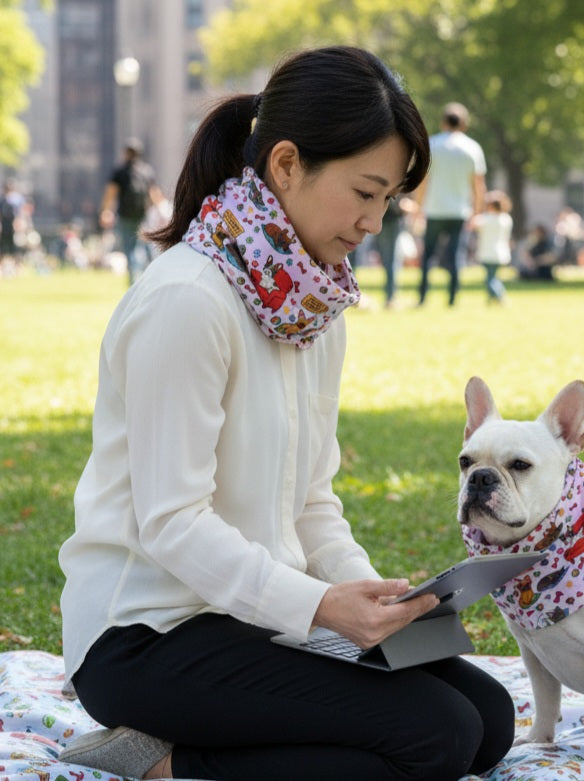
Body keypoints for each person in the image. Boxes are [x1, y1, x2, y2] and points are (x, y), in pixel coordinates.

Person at [57, 46, 515, 781]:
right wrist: (321, 606)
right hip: (147, 633)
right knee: (435, 736)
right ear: (286, 165)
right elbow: (171, 521)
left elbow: (311, 499)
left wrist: (379, 602)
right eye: (365, 191)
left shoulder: (315, 305)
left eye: (390, 199)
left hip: (256, 615)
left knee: (487, 720)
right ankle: (161, 760)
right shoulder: (188, 301)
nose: (375, 221)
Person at [415, 102, 486, 306]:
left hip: (434, 209)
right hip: (459, 211)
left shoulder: (433, 145)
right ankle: (453, 298)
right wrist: (476, 212)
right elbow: (478, 185)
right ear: (464, 123)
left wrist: (418, 208)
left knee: (427, 256)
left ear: (443, 121)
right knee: (456, 256)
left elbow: (423, 181)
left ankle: (422, 297)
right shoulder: (472, 148)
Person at [100, 138, 159, 286]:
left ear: (126, 153)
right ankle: (152, 278)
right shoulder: (147, 171)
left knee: (130, 249)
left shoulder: (120, 172)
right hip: (143, 216)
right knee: (146, 247)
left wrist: (106, 211)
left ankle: (134, 282)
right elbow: (154, 195)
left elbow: (110, 193)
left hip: (126, 216)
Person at [470, 189, 513, 303]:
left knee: (490, 278)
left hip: (488, 253)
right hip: (501, 253)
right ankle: (491, 299)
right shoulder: (506, 219)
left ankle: (500, 296)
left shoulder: (486, 219)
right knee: (493, 276)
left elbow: (472, 224)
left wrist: (477, 208)